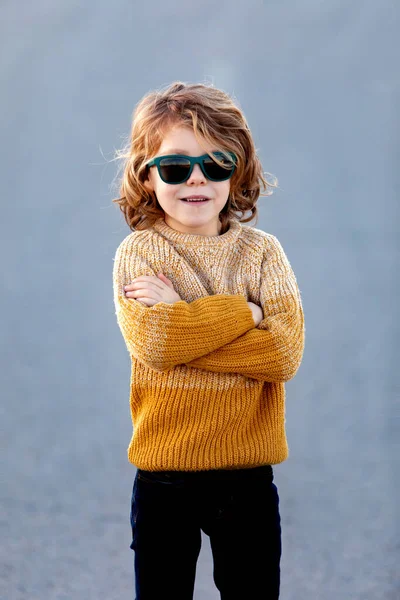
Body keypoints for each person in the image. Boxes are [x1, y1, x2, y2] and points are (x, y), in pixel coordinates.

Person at [112, 81, 305, 600]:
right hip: (164, 477)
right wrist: (243, 311)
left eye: (215, 164)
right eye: (175, 167)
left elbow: (282, 353)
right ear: (147, 176)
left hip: (247, 477)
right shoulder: (139, 254)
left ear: (236, 169)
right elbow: (155, 345)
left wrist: (184, 318)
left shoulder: (263, 253)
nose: (196, 179)